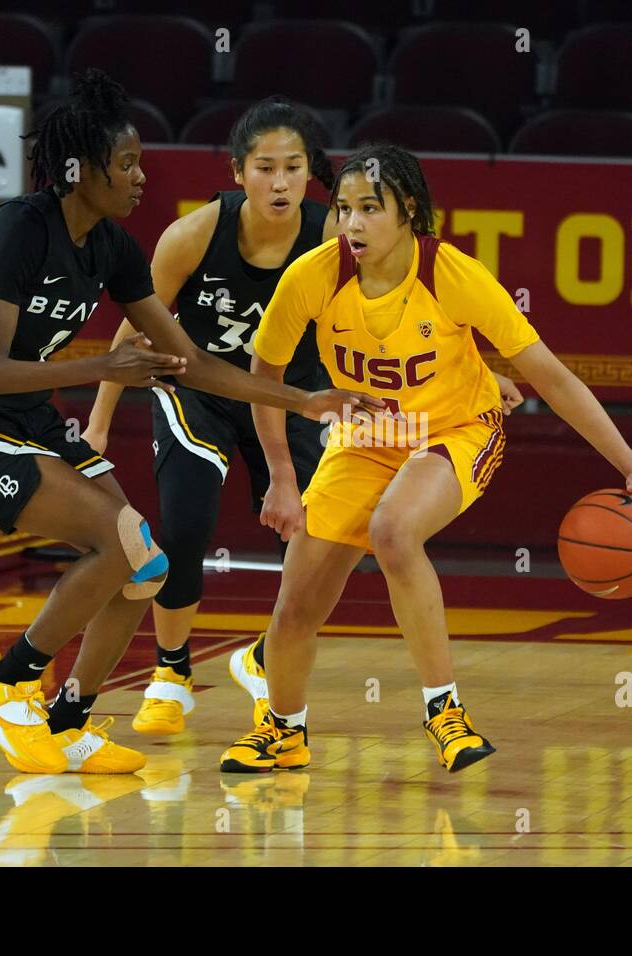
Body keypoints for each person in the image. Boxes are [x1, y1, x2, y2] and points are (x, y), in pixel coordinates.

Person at [0, 70, 379, 775]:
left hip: (30, 415)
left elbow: (186, 362)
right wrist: (102, 371)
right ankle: (6, 683)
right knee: (111, 539)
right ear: (82, 170)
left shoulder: (113, 248)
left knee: (144, 563)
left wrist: (304, 402)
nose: (139, 178)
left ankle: (67, 719)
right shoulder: (18, 230)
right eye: (126, 164)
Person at [218, 143, 632, 774]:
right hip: (366, 438)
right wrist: (280, 477)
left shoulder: (453, 274)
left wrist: (630, 465)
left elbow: (553, 377)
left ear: (408, 210)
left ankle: (445, 711)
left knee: (394, 530)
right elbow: (263, 377)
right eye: (345, 208)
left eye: (370, 208)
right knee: (297, 603)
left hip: (456, 429)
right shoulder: (314, 276)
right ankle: (285, 728)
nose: (352, 223)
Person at [83, 98, 523, 737]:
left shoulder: (336, 238)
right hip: (200, 390)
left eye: (294, 167)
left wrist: (486, 373)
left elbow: (408, 317)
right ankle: (172, 671)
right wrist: (99, 420)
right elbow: (135, 329)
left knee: (310, 545)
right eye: (265, 167)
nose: (281, 181)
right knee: (186, 522)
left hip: (298, 399)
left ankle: (267, 663)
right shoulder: (193, 235)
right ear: (239, 172)